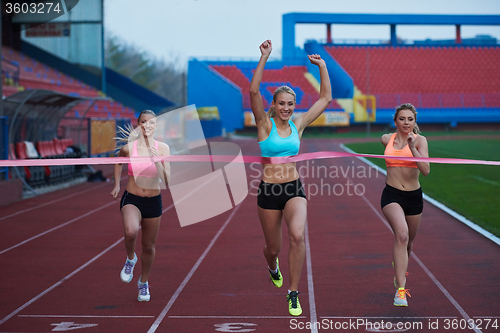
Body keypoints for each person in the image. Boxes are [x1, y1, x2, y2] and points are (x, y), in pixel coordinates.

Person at [250, 39, 332, 316]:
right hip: (268, 192)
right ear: (273, 104)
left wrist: (322, 67)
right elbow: (252, 91)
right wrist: (265, 57)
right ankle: (272, 265)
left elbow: (325, 99)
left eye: (291, 104)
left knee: (297, 236)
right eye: (282, 103)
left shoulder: (298, 124)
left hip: (294, 188)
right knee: (273, 247)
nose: (286, 108)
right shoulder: (264, 125)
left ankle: (293, 293)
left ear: (295, 105)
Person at [111, 110, 171, 302]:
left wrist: (158, 162)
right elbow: (118, 161)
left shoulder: (163, 148)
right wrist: (116, 184)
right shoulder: (130, 148)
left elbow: (167, 181)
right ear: (138, 124)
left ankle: (143, 282)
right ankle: (130, 258)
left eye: (151, 122)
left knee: (148, 246)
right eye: (143, 122)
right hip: (132, 199)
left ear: (156, 126)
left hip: (153, 201)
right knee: (130, 231)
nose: (147, 125)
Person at [380, 103, 430, 307]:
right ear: (396, 121)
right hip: (391, 195)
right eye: (402, 119)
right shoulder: (386, 139)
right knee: (401, 235)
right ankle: (400, 290)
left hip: (413, 197)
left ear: (414, 121)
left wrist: (412, 148)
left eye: (410, 119)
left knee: (408, 243)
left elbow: (426, 170)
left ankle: (400, 266)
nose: (406, 122)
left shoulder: (421, 141)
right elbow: (385, 141)